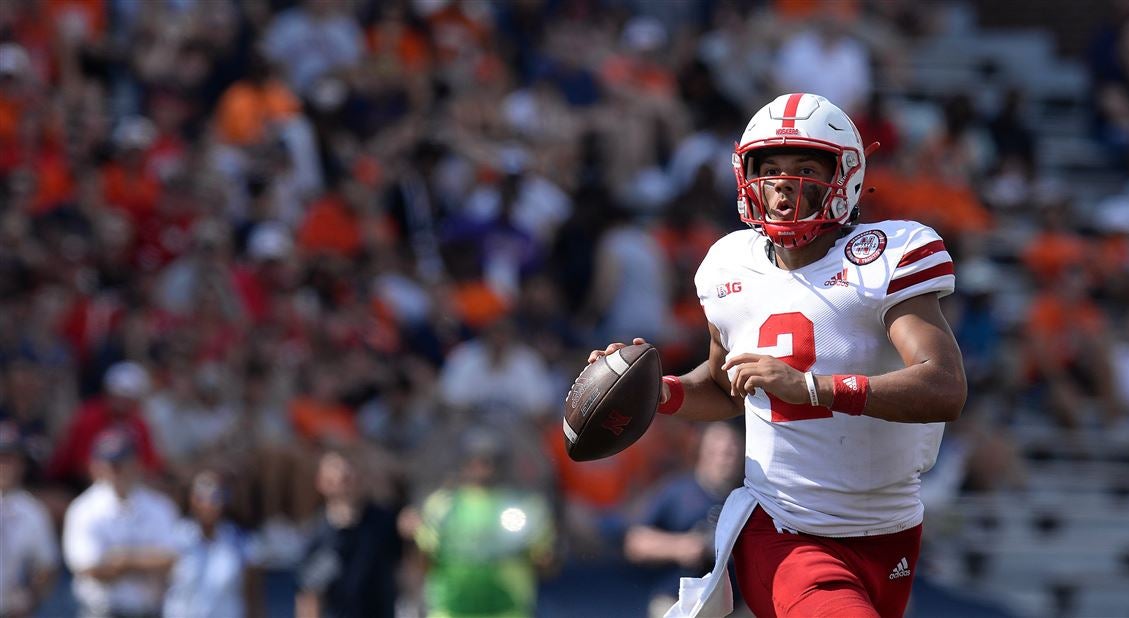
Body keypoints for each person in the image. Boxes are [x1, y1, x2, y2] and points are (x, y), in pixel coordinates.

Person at [588, 93, 967, 618]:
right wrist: (662, 392)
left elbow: (943, 387)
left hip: (891, 528)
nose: (785, 185)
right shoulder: (729, 264)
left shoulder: (888, 256)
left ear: (845, 176)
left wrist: (812, 388)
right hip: (784, 527)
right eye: (770, 170)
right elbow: (725, 385)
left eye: (806, 168)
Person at [406, 430, 556, 618]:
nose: (482, 467)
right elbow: (423, 559)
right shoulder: (441, 505)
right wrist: (412, 536)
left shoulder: (525, 505)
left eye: (489, 460)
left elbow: (545, 562)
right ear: (463, 463)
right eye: (475, 460)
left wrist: (545, 557)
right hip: (451, 608)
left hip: (508, 608)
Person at [625, 421, 745, 618]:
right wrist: (680, 546)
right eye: (717, 451)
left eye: (731, 451)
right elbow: (635, 542)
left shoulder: (747, 499)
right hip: (677, 601)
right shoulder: (677, 492)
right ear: (701, 451)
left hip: (733, 606)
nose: (724, 459)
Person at [63, 428, 180, 617]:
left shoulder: (159, 506)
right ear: (96, 465)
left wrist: (122, 559)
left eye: (122, 462)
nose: (116, 471)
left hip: (149, 611)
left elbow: (171, 559)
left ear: (136, 463)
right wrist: (146, 561)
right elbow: (90, 568)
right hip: (102, 611)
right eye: (110, 463)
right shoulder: (83, 509)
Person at [295, 449, 403, 618]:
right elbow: (309, 595)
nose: (346, 475)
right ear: (322, 483)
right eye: (338, 473)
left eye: (350, 470)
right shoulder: (317, 534)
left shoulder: (385, 522)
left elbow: (407, 571)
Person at [163, 471, 261, 618]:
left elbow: (252, 597)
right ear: (191, 499)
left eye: (215, 497)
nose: (207, 504)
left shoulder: (240, 541)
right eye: (200, 497)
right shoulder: (174, 537)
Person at [0, 422, 59, 618]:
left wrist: (30, 598)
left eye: (12, 459)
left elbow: (46, 566)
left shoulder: (32, 510)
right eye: (2, 458)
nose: (6, 466)